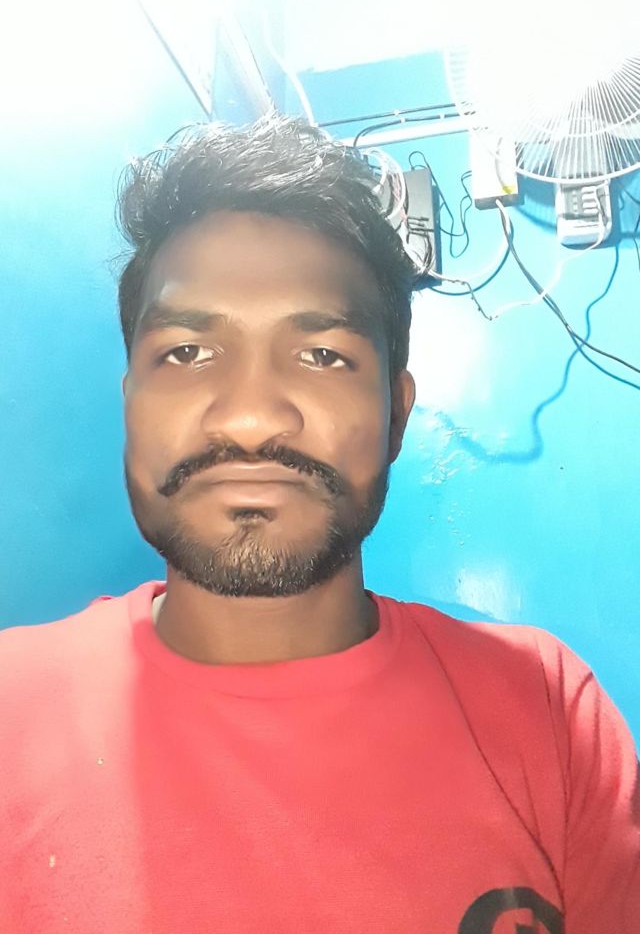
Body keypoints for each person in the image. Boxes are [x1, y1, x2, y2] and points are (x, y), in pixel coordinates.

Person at [0, 113, 638, 934]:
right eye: (186, 352)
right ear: (129, 404)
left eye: (323, 355)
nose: (251, 417)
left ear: (396, 414)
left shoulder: (549, 711)